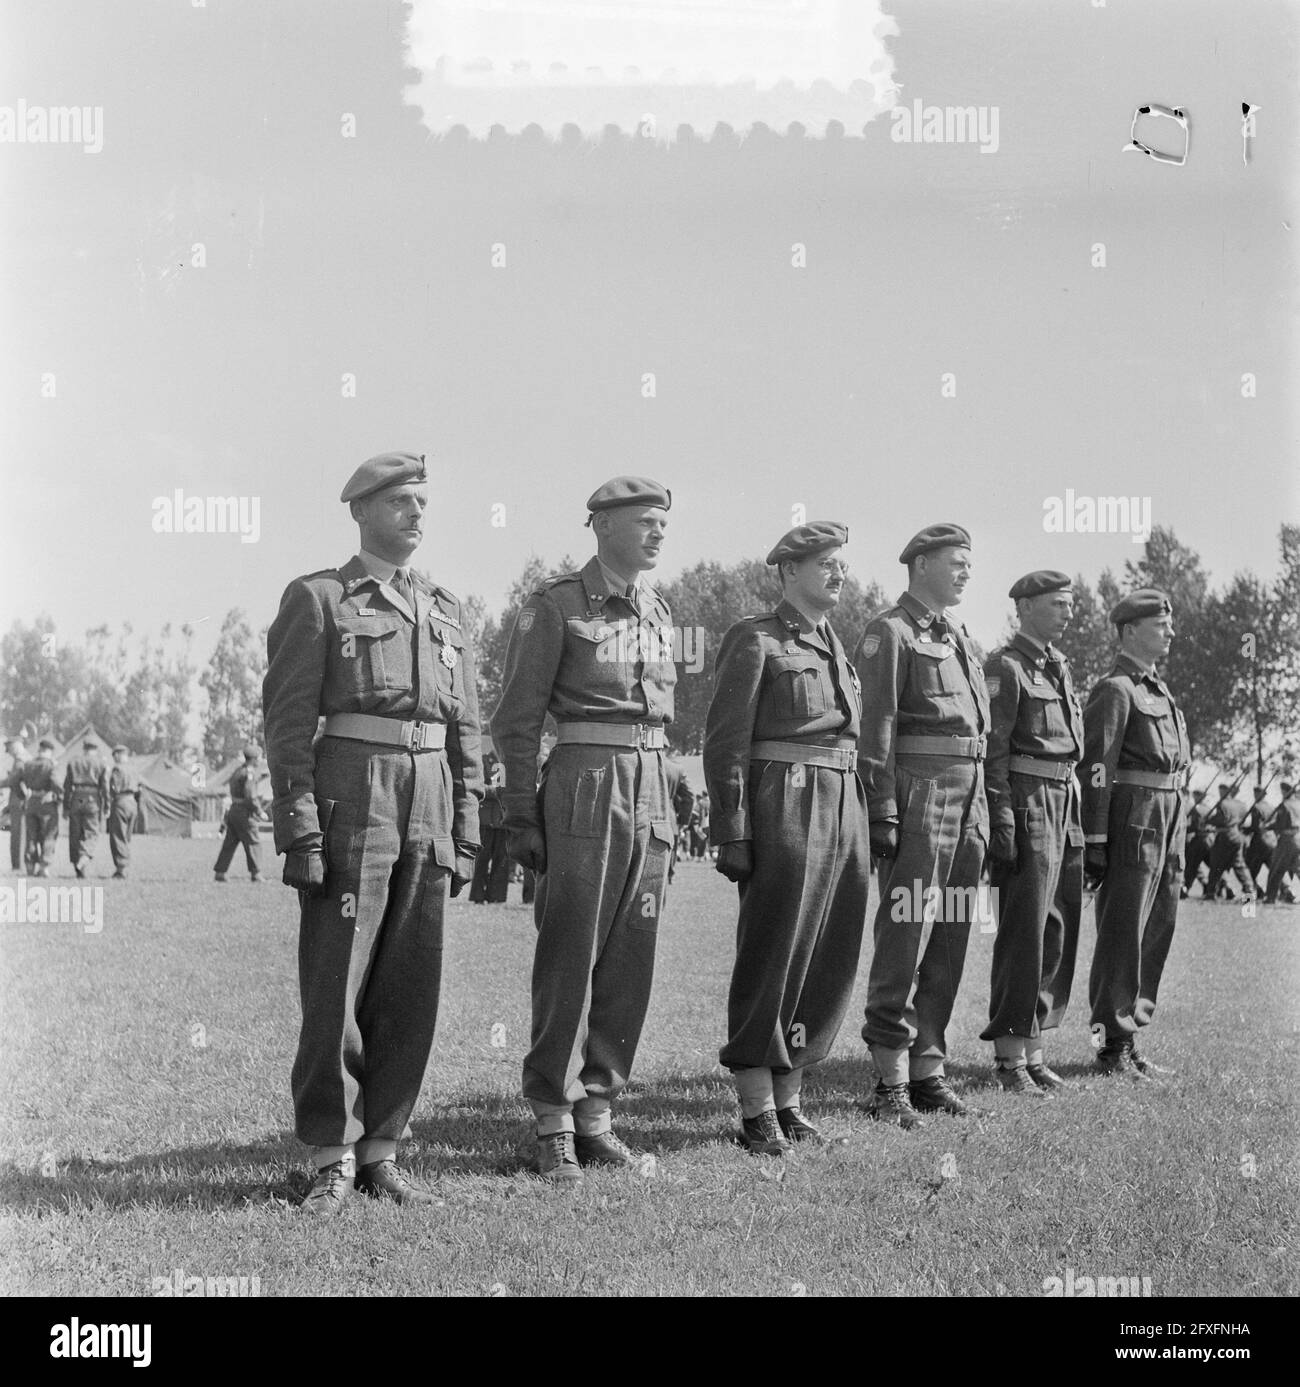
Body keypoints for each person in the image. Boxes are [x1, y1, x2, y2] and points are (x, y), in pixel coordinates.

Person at [263, 450, 483, 1214]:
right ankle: (331, 1152)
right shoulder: (320, 598)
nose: (417, 513)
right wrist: (299, 827)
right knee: (337, 978)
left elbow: (469, 726)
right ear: (360, 511)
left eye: (423, 501)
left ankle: (383, 1148)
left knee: (411, 978)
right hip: (353, 790)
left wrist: (469, 824)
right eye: (400, 502)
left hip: (430, 794)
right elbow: (288, 721)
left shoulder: (447, 609)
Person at [492, 476, 676, 1184]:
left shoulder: (660, 611)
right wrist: (519, 812)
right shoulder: (557, 606)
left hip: (651, 789)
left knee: (632, 959)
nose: (659, 532)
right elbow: (514, 721)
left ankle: (597, 1112)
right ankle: (552, 1118)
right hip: (584, 786)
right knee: (569, 956)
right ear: (600, 524)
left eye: (664, 522)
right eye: (645, 520)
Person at [704, 522, 869, 1154]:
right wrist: (733, 829)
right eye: (825, 563)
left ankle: (790, 1097)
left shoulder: (837, 648)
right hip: (786, 803)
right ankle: (755, 1106)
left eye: (841, 564)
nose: (839, 574)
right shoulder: (756, 639)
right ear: (788, 572)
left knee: (829, 952)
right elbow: (725, 742)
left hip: (843, 804)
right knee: (774, 951)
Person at [853, 523, 989, 1129]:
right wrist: (881, 809)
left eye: (968, 563)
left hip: (969, 794)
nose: (965, 572)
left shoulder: (959, 636)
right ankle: (890, 1080)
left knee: (952, 931)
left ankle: (929, 1068)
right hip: (920, 792)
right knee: (906, 928)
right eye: (956, 562)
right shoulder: (891, 632)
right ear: (922, 563)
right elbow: (874, 727)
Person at [980, 571, 1084, 1097]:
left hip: (1064, 802)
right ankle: (1009, 1055)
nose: (1068, 612)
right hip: (1027, 802)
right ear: (1024, 607)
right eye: (1057, 603)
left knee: (1057, 928)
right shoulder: (1006, 666)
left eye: (1070, 604)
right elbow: (993, 750)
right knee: (1024, 929)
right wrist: (1001, 817)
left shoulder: (1059, 667)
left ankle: (1035, 1048)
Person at [1082, 589, 1189, 1080]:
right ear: (1129, 631)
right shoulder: (1116, 690)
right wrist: (1097, 839)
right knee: (1122, 930)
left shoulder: (1160, 691)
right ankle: (1111, 1043)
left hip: (1169, 816)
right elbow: (1098, 768)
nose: (1169, 631)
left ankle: (1131, 1036)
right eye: (1159, 624)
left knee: (1157, 926)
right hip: (1134, 817)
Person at [214, 746, 265, 882]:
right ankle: (256, 874)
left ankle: (220, 872)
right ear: (253, 759)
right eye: (259, 757)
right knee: (253, 842)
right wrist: (259, 811)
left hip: (234, 811)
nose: (260, 760)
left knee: (229, 843)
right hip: (245, 813)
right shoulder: (250, 773)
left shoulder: (237, 771)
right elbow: (250, 795)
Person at [63, 737, 108, 878]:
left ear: (84, 748)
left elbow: (67, 786)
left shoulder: (73, 762)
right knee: (91, 832)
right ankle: (83, 858)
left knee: (75, 833)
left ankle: (78, 868)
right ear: (96, 749)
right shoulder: (101, 763)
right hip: (92, 798)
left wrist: (65, 806)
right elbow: (105, 787)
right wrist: (107, 805)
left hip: (77, 797)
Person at [1203, 782, 1254, 902]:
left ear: (1226, 791)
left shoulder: (1222, 804)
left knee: (1216, 864)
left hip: (1224, 836)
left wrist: (1207, 821)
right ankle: (1250, 890)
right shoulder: (1241, 804)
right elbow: (1243, 819)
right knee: (1239, 865)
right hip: (1237, 835)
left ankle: (1211, 893)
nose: (1220, 792)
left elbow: (1220, 820)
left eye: (1221, 790)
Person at [469, 754, 509, 903]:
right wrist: (497, 791)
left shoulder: (510, 760)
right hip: (486, 820)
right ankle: (477, 896)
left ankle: (496, 897)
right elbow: (478, 786)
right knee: (482, 860)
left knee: (502, 860)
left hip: (504, 820)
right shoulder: (483, 760)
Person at [21, 736, 61, 878]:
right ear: (49, 751)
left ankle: (30, 866)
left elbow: (20, 781)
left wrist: (26, 794)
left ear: (39, 750)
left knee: (31, 836)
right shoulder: (51, 765)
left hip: (31, 802)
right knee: (49, 835)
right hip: (46, 804)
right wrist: (58, 796)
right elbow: (56, 784)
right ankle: (44, 866)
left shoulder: (28, 764)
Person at [106, 745, 141, 879]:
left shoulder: (117, 769)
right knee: (126, 837)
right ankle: (123, 865)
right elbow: (139, 788)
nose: (114, 758)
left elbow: (113, 787)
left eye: (115, 755)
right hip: (132, 802)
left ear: (119, 755)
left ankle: (121, 868)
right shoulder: (134, 769)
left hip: (120, 801)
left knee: (117, 836)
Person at [1263, 782, 1299, 905]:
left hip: (1287, 840)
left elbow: (1280, 823)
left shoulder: (1285, 805)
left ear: (1284, 791)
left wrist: (1267, 826)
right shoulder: (1298, 803)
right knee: (1297, 868)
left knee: (1276, 868)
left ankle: (1270, 898)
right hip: (1298, 838)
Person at [663, 750, 695, 885]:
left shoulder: (641, 762)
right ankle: (669, 875)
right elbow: (689, 797)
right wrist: (683, 820)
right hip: (669, 819)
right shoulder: (676, 768)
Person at [1181, 789, 1215, 899]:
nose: (1194, 797)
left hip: (1199, 840)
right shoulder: (1209, 808)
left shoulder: (1196, 809)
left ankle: (1185, 889)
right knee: (1213, 865)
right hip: (1210, 839)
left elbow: (1193, 826)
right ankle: (1223, 887)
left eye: (1196, 795)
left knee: (1191, 865)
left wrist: (1183, 828)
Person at [1243, 785, 1277, 895]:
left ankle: (1255, 891)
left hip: (1259, 842)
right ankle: (1287, 890)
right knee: (1274, 868)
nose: (1254, 795)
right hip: (1272, 841)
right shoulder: (1271, 807)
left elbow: (1254, 827)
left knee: (1249, 869)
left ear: (1258, 794)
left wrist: (1243, 830)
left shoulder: (1256, 807)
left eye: (1256, 793)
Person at [3, 736, 26, 873]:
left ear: (15, 747)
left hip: (18, 800)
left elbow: (12, 780)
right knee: (18, 833)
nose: (9, 752)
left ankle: (18, 865)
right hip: (18, 800)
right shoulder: (22, 759)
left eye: (10, 749)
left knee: (18, 833)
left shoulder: (20, 761)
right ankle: (18, 864)